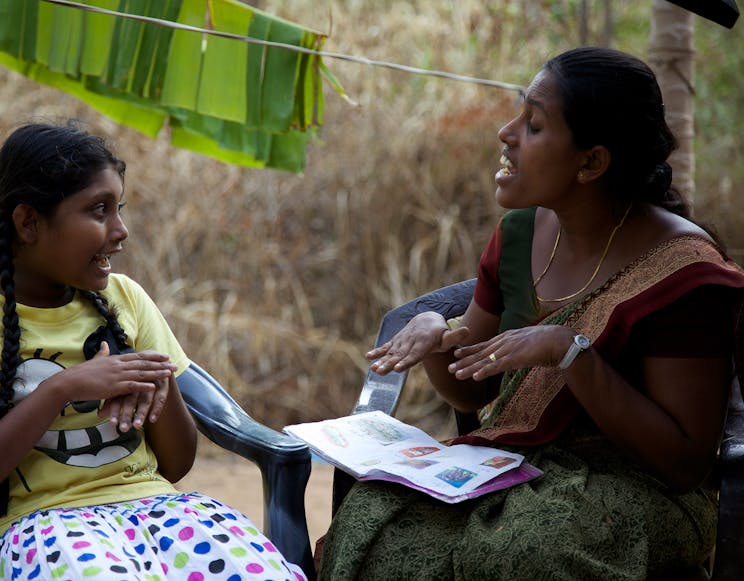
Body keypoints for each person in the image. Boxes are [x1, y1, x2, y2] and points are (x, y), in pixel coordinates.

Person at [318, 47, 744, 580]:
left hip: (640, 488)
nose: (506, 131)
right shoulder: (521, 235)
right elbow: (473, 391)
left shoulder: (684, 275)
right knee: (375, 521)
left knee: (520, 552)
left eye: (534, 125)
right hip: (517, 467)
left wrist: (569, 353)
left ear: (591, 162)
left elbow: (684, 462)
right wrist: (437, 341)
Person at [0, 122, 307, 581]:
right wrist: (61, 390)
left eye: (119, 208)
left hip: (159, 512)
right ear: (29, 222)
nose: (120, 230)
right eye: (98, 210)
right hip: (39, 528)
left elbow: (176, 464)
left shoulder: (125, 298)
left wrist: (156, 382)